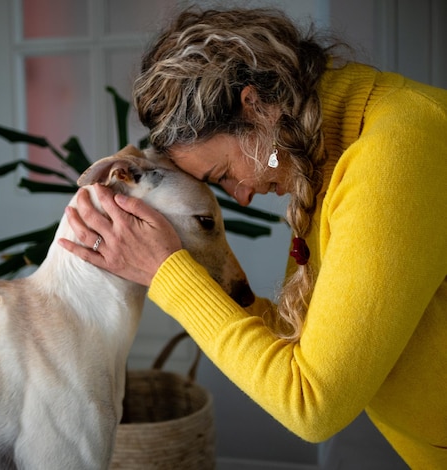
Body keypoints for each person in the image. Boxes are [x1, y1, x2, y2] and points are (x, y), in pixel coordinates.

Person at [59, 7, 447, 468]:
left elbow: (311, 404)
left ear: (256, 106)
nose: (241, 196)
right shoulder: (331, 155)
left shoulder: (394, 157)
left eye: (224, 173)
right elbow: (301, 340)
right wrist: (216, 285)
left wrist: (168, 275)